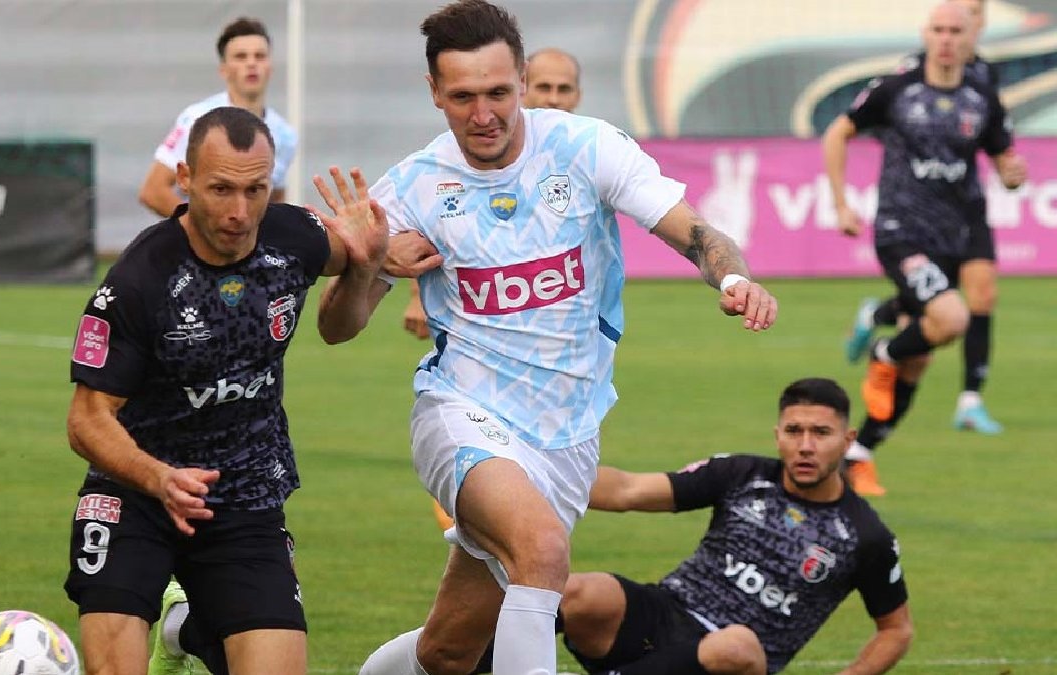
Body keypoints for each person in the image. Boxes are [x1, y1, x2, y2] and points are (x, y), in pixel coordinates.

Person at [315, 2, 778, 674]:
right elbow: (336, 328)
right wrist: (366, 264)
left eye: (498, 93)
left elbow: (697, 234)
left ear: (523, 80)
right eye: (463, 97)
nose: (484, 115)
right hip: (461, 413)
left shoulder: (587, 148)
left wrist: (734, 279)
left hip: (567, 436)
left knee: (449, 651)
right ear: (435, 92)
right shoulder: (414, 187)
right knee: (542, 553)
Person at [65, 106, 386, 675]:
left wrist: (365, 264)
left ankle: (188, 629)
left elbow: (339, 328)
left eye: (255, 190)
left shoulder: (295, 237)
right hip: (136, 493)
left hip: (246, 494)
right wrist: (159, 478)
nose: (240, 212)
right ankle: (189, 622)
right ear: (185, 179)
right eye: (220, 189)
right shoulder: (140, 278)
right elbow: (86, 420)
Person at [471, 377, 913, 675]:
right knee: (580, 592)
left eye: (821, 433)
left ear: (848, 440)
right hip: (666, 614)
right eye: (794, 431)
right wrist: (516, 475)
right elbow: (627, 490)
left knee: (736, 645)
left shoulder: (865, 535)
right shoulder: (742, 474)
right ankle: (459, 665)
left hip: (732, 658)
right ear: (777, 434)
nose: (805, 446)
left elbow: (896, 630)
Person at [822, 0, 1026, 496]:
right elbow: (838, 132)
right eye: (938, 30)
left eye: (956, 30)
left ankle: (859, 453)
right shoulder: (897, 88)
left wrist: (1012, 174)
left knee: (920, 357)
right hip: (903, 231)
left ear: (971, 36)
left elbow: (1003, 157)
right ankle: (883, 350)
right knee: (953, 318)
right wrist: (842, 203)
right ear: (926, 34)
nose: (947, 39)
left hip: (955, 235)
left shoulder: (982, 95)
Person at [405, 45, 584, 531]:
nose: (553, 98)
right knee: (534, 542)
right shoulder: (458, 162)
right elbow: (431, 230)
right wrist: (415, 295)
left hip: (559, 390)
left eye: (563, 89)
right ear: (524, 87)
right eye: (544, 87)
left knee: (503, 557)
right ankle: (470, 493)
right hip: (479, 381)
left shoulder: (584, 157)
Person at [139, 17, 298, 216]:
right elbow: (153, 191)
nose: (251, 63)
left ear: (270, 67)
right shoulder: (197, 119)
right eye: (241, 56)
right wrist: (202, 228)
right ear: (223, 69)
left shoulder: (285, 135)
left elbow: (275, 199)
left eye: (259, 56)